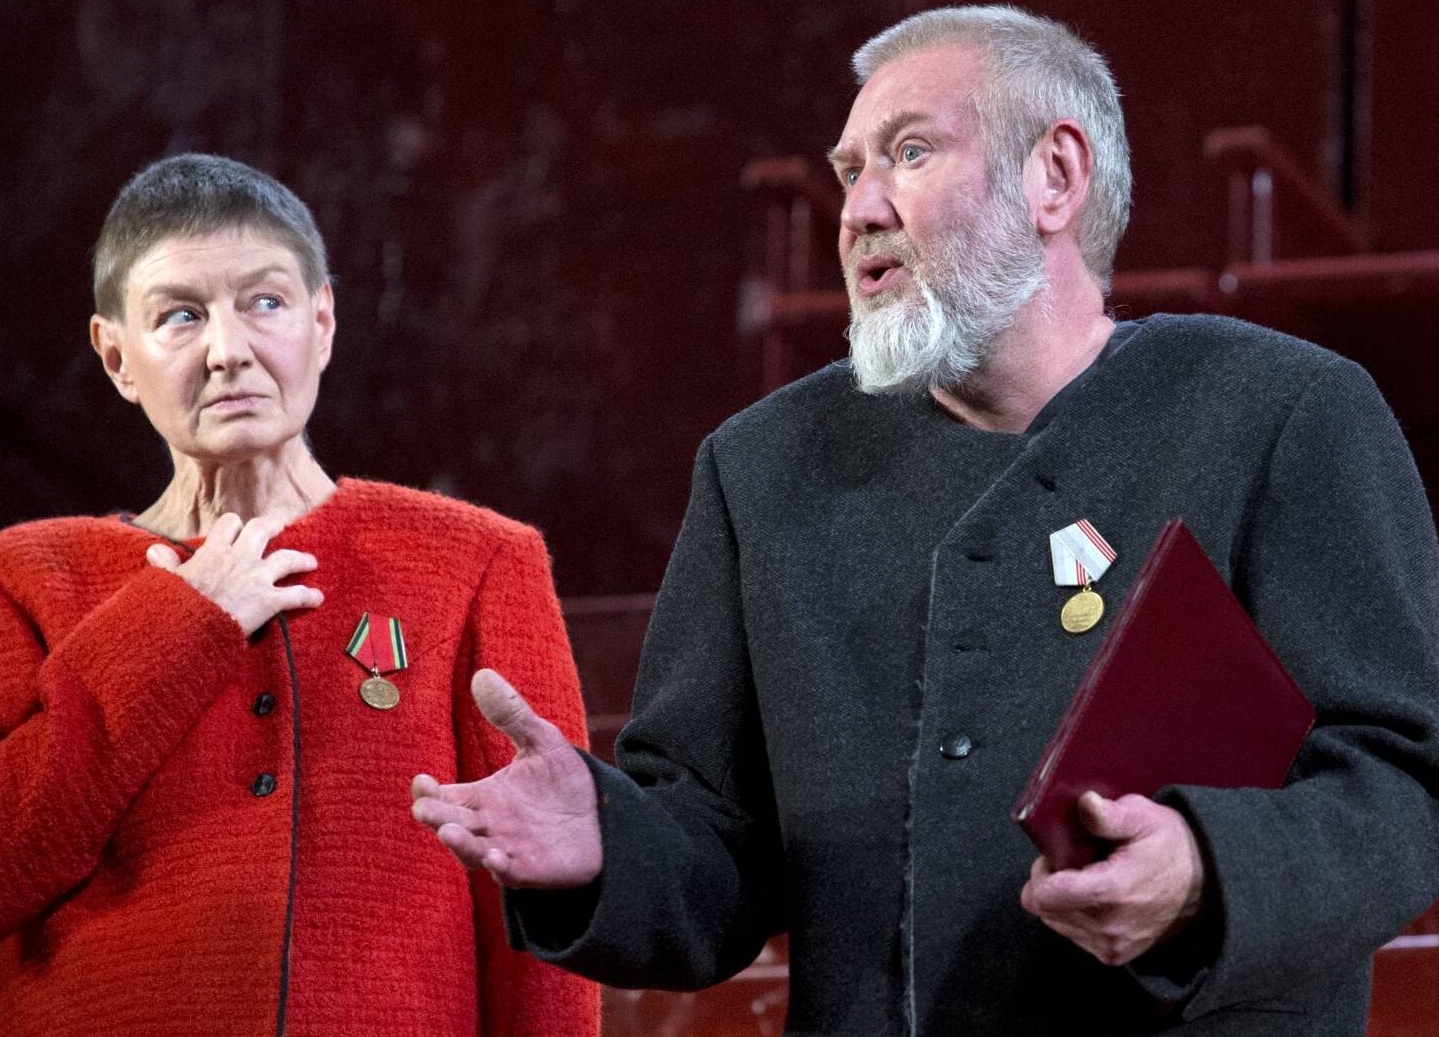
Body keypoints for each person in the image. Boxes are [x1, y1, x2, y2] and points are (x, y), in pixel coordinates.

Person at [410, 6, 1439, 1035]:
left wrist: (1207, 870)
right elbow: (713, 847)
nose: (859, 207)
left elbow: (1404, 784)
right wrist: (605, 841)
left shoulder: (1279, 415)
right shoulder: (761, 468)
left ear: (1053, 177)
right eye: (849, 169)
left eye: (908, 153)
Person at [0, 153, 599, 1037]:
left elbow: (534, 915)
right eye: (180, 315)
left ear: (322, 322)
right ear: (116, 356)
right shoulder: (1, 584)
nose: (229, 350)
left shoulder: (478, 561)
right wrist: (178, 622)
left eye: (264, 302)